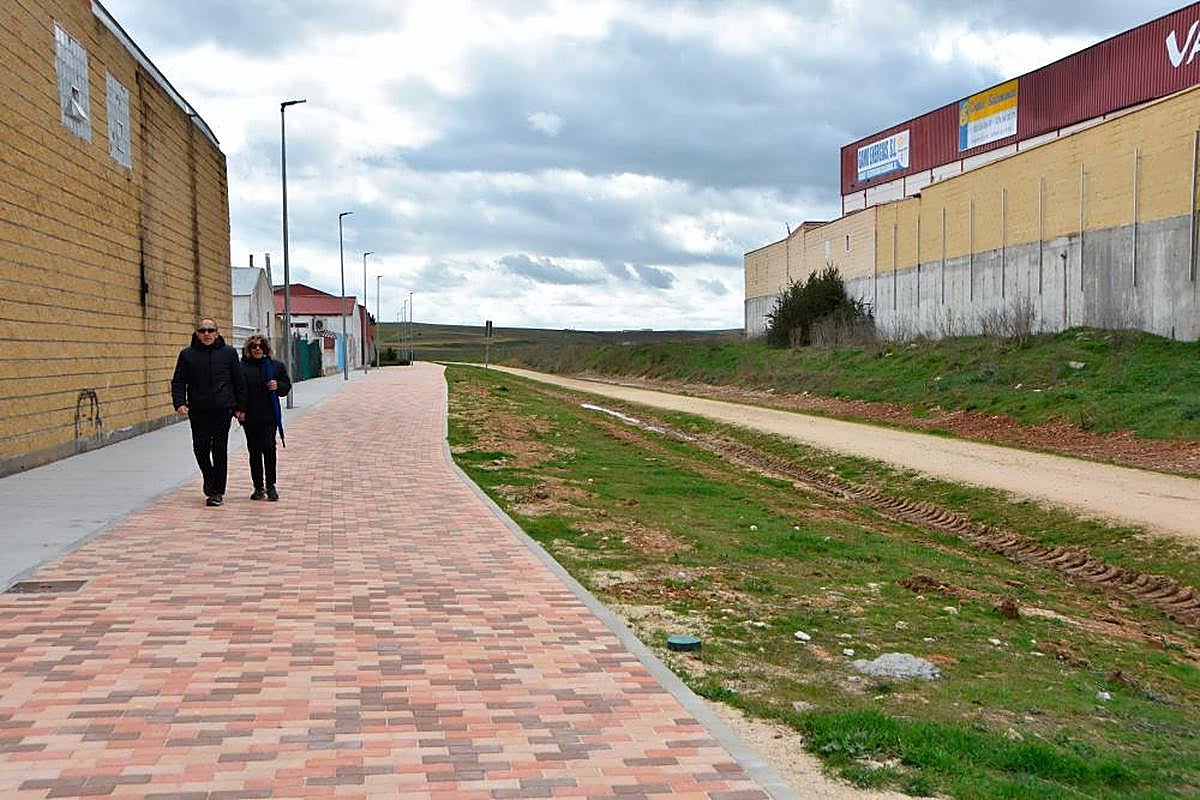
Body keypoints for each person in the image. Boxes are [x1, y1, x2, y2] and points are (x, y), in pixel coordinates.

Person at [171, 317, 246, 506]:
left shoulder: (228, 354)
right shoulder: (187, 355)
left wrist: (240, 407)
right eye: (203, 331)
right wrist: (180, 402)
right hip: (198, 409)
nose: (207, 334)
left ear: (217, 333)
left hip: (223, 409)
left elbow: (238, 381)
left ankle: (216, 492)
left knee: (219, 449)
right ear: (197, 333)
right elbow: (179, 381)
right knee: (201, 447)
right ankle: (209, 475)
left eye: (210, 330)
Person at [239, 334, 291, 501]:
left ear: (267, 349)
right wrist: (238, 410)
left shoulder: (276, 366)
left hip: (269, 415)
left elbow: (286, 386)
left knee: (269, 448)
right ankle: (258, 487)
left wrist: (278, 385)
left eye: (261, 346)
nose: (257, 349)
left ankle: (271, 485)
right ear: (248, 349)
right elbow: (237, 390)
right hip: (250, 416)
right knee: (254, 451)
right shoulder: (242, 368)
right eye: (253, 346)